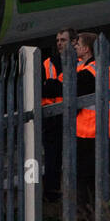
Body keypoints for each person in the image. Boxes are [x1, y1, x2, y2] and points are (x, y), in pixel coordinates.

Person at [71, 31, 110, 221]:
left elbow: (73, 105)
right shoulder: (104, 69)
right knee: (99, 189)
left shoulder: (86, 74)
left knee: (85, 191)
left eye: (78, 44)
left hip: (87, 139)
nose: (74, 47)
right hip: (106, 136)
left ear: (87, 49)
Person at [40, 28, 76, 202]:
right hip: (53, 116)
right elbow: (43, 89)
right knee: (52, 157)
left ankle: (70, 189)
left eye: (63, 40)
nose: (60, 43)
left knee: (71, 155)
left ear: (73, 42)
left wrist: (54, 85)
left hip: (73, 115)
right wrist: (56, 86)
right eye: (58, 40)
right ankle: (52, 193)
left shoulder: (79, 62)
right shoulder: (48, 63)